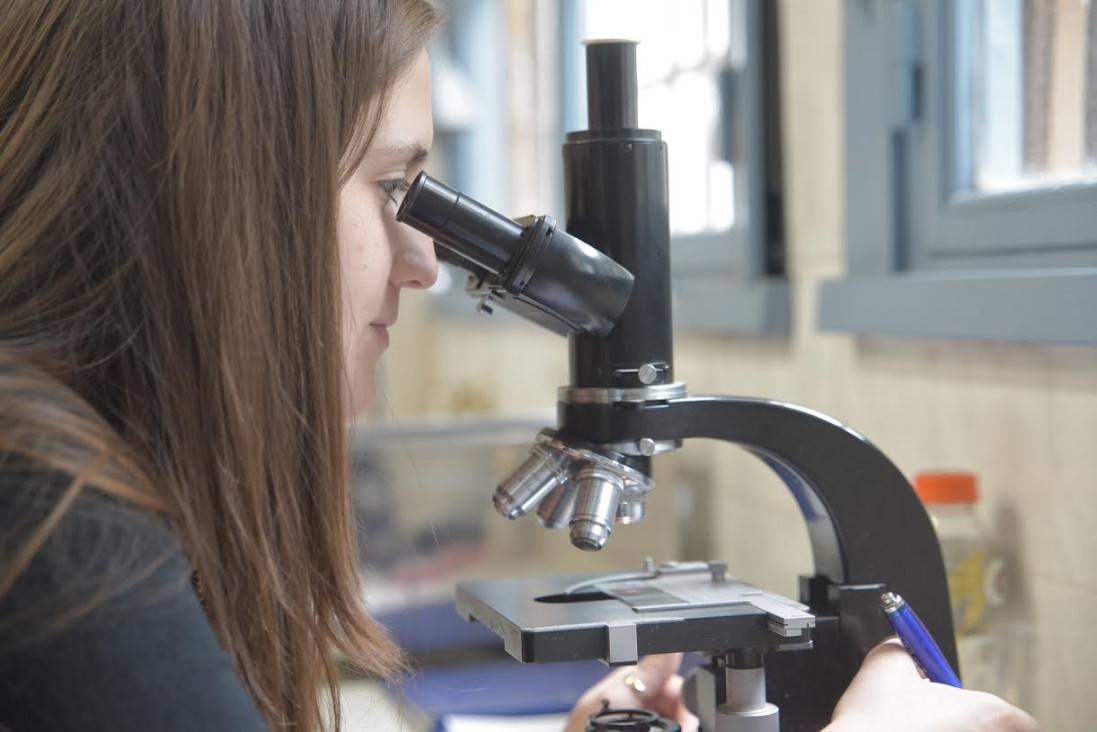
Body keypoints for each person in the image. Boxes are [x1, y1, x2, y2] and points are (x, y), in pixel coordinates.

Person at [0, 2, 1041, 731]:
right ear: (221, 201)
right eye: (388, 187)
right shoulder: (55, 541)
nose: (421, 262)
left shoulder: (68, 486)